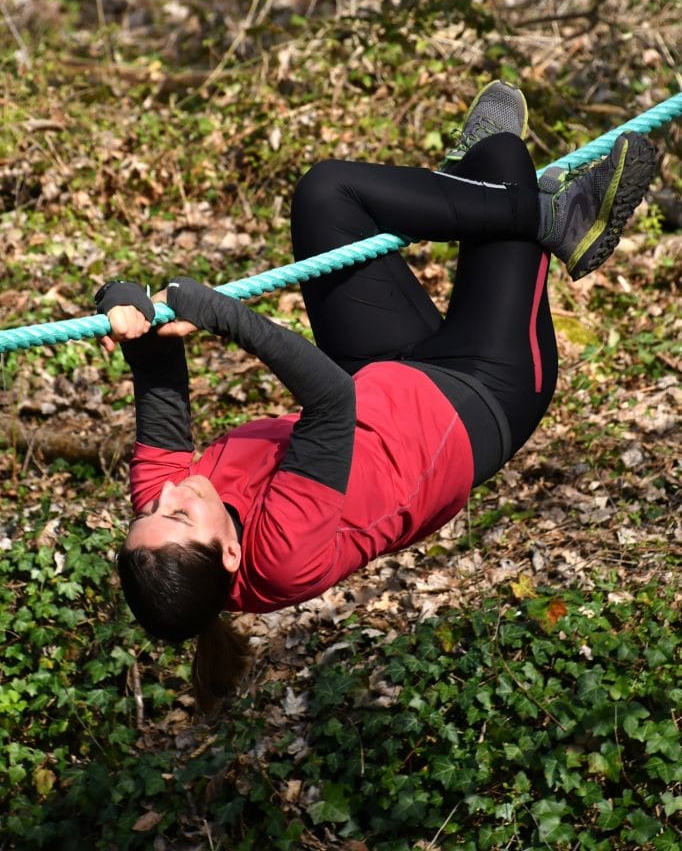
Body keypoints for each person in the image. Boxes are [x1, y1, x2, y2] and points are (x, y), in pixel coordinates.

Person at [96, 81, 656, 710]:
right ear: (229, 553)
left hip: (380, 372)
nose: (165, 494)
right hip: (479, 395)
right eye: (175, 514)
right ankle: (522, 207)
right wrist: (220, 315)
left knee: (330, 194)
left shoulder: (163, 511)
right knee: (502, 175)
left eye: (146, 513)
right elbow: (333, 402)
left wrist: (124, 306)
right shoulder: (283, 557)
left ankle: (515, 204)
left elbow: (159, 381)